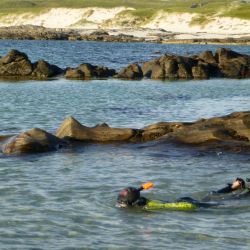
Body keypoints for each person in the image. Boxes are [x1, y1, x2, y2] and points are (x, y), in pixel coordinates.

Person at [116, 178, 250, 210]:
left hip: (190, 204)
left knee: (227, 200)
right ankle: (236, 185)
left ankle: (242, 190)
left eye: (122, 202)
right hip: (185, 201)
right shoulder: (142, 202)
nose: (120, 203)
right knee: (212, 194)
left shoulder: (143, 205)